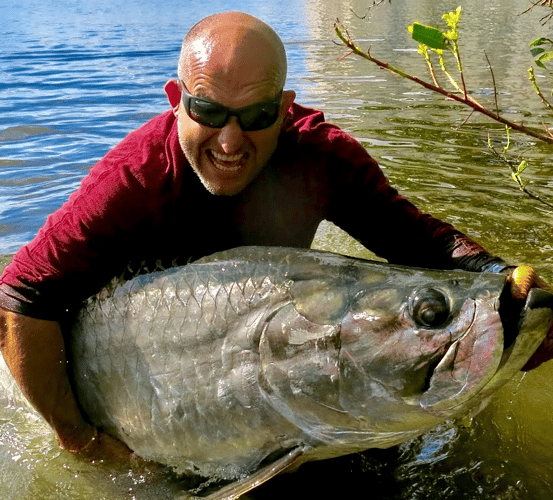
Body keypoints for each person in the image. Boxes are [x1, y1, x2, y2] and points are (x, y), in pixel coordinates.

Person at [0, 11, 549, 461]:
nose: (231, 141)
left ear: (286, 109)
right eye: (209, 112)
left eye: (257, 115)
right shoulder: (135, 178)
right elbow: (20, 295)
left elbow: (417, 241)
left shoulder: (322, 157)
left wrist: (500, 280)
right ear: (177, 100)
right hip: (133, 360)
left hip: (262, 343)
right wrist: (80, 438)